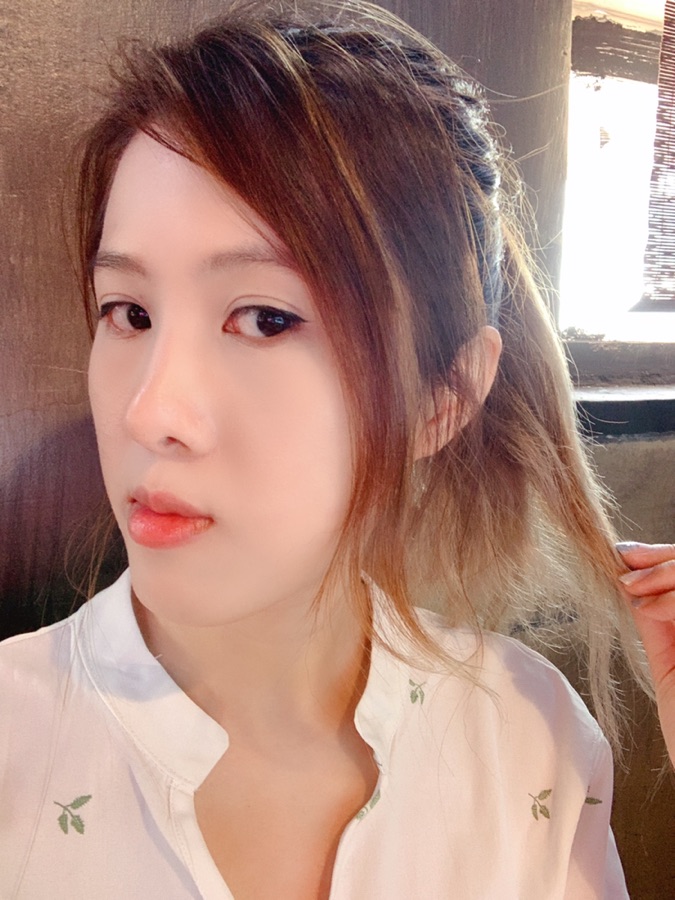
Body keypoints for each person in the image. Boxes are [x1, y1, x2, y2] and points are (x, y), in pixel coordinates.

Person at [0, 2, 673, 897]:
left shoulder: (525, 733)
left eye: (265, 319)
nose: (149, 412)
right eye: (129, 313)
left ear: (442, 397)